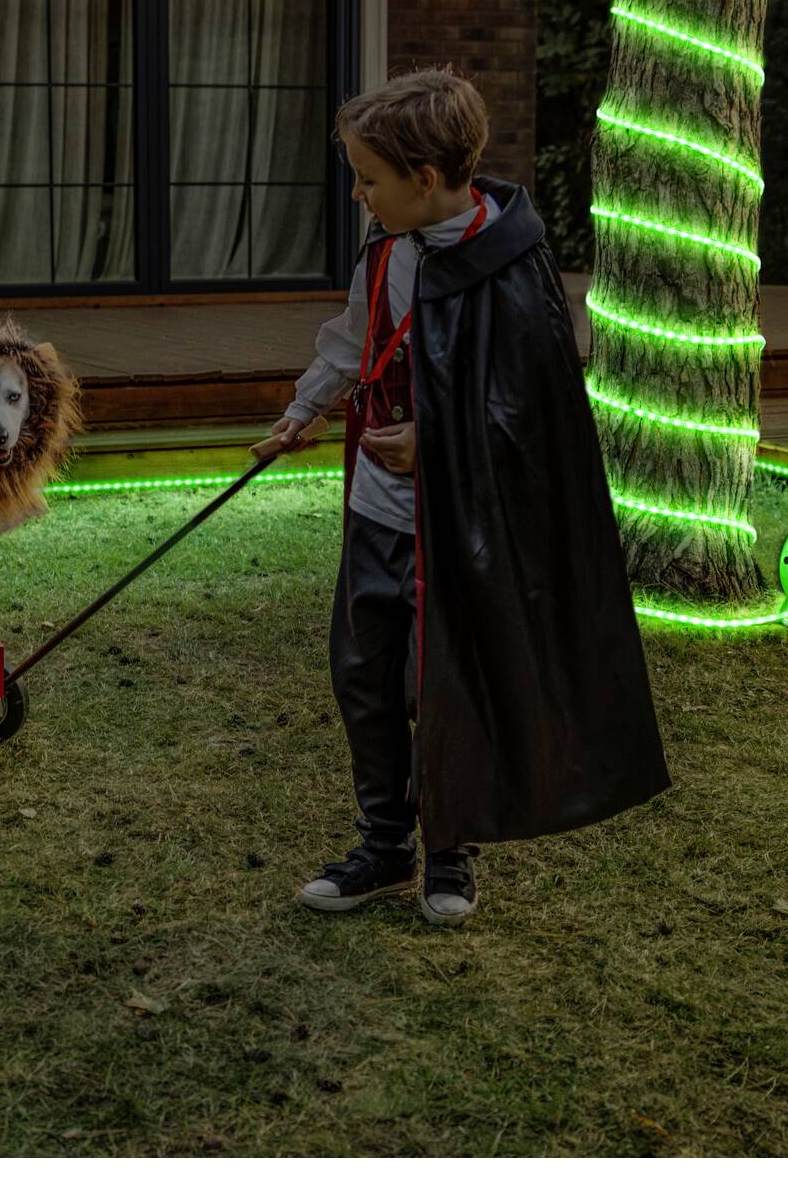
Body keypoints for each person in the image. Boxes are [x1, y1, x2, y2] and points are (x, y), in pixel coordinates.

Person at [256, 68, 670, 928]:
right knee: (364, 677)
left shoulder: (513, 267)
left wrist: (435, 442)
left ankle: (448, 850)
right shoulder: (387, 254)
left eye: (370, 179)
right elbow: (347, 342)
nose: (360, 197)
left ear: (425, 178)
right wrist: (301, 412)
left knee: (445, 683)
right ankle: (383, 847)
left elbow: (534, 413)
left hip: (462, 531)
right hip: (378, 515)